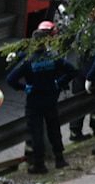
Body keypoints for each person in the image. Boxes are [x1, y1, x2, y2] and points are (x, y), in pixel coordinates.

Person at [6, 22, 76, 173]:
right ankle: (59, 159)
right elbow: (72, 71)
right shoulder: (53, 57)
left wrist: (24, 87)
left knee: (36, 132)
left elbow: (10, 79)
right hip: (51, 98)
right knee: (54, 128)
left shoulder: (28, 61)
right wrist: (59, 83)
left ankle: (39, 164)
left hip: (34, 101)